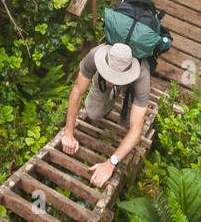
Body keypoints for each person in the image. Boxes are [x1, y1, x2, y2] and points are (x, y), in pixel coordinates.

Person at [61, 41, 151, 188]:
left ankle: (121, 92)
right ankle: (107, 95)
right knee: (94, 113)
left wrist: (111, 163)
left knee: (127, 125)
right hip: (102, 79)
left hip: (131, 86)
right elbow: (77, 91)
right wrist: (69, 132)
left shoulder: (142, 76)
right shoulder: (95, 54)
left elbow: (136, 130)